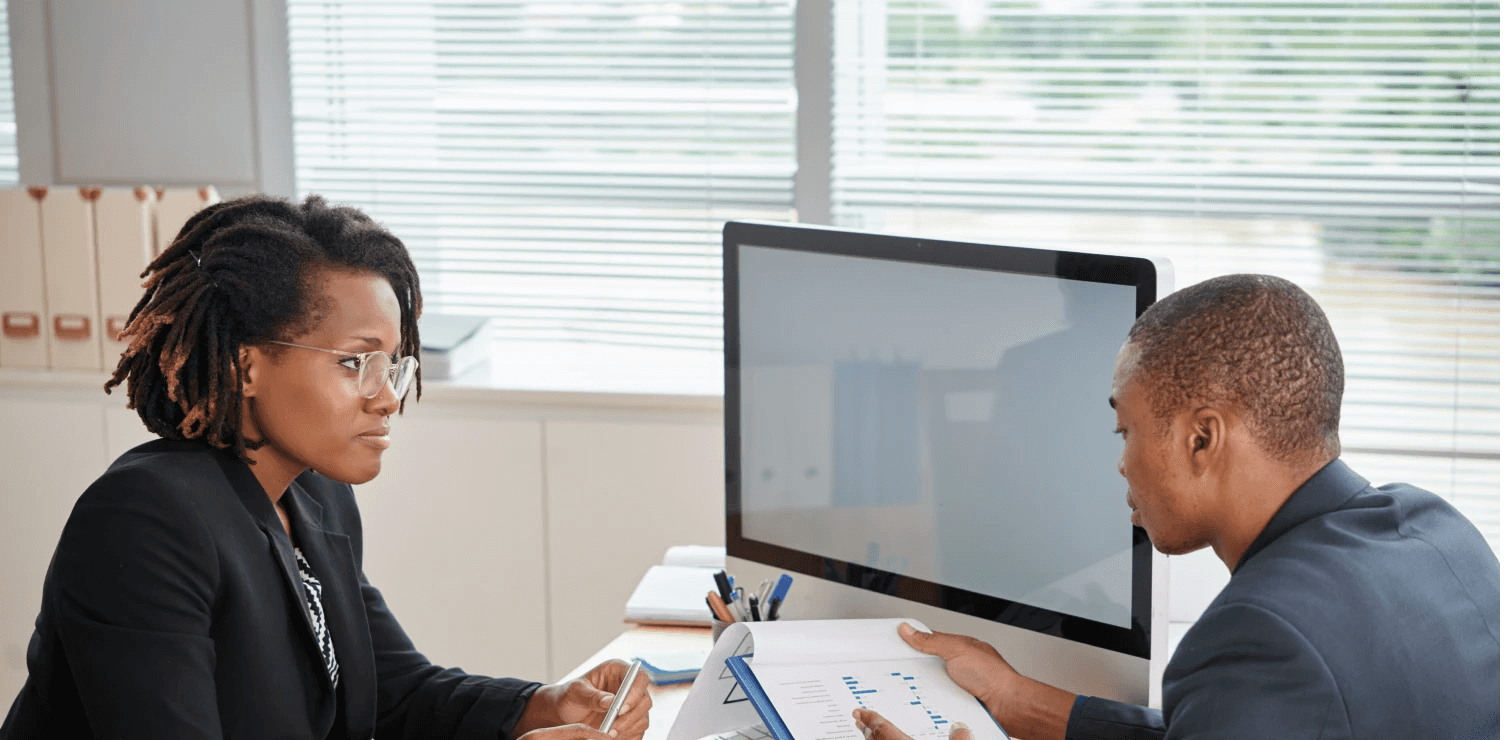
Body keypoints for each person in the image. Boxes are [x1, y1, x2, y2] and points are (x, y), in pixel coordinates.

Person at [0, 195, 651, 740]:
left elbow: (395, 692)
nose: (388, 395)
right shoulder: (142, 524)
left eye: (393, 365)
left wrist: (541, 705)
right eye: (354, 362)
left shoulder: (315, 497)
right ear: (245, 366)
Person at [849, 274, 1500, 740]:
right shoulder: (1438, 528)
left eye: (1125, 431)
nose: (1121, 462)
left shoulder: (1258, 636)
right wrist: (1018, 698)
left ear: (1202, 438)